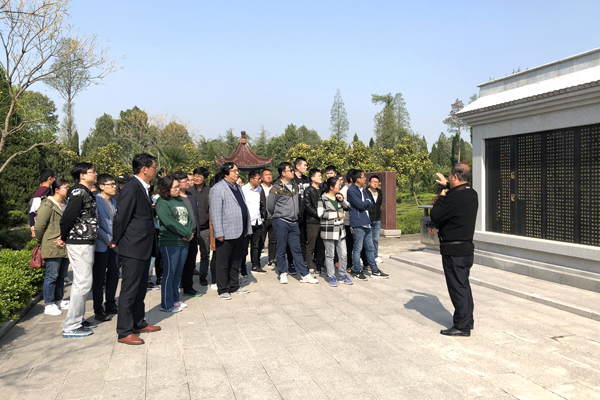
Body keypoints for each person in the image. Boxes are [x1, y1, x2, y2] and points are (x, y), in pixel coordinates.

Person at [112, 153, 161, 345]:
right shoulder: (131, 188)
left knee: (141, 288)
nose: (155, 170)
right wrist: (116, 240)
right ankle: (124, 331)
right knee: (130, 289)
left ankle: (138, 322)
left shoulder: (143, 188)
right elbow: (121, 217)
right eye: (154, 167)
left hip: (143, 246)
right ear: (144, 169)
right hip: (132, 247)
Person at [431, 164, 478, 337]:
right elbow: (459, 193)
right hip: (466, 248)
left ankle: (462, 326)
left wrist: (441, 197)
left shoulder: (452, 198)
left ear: (456, 177)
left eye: (450, 177)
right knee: (463, 285)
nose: (449, 179)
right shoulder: (472, 194)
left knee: (457, 288)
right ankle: (467, 320)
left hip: (453, 250)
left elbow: (435, 216)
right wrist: (447, 185)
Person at [58, 163, 98, 338]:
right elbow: (68, 217)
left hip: (85, 241)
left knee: (83, 282)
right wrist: (63, 236)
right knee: (83, 283)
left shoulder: (86, 192)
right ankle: (71, 325)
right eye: (92, 172)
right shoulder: (78, 192)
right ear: (82, 175)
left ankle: (78, 319)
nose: (95, 174)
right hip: (79, 242)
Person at [267, 162, 319, 285]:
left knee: (297, 249)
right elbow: (270, 207)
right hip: (281, 221)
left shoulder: (295, 186)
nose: (292, 172)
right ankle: (282, 272)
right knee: (281, 248)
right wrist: (280, 215)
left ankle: (304, 274)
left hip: (294, 222)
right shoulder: (276, 188)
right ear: (283, 173)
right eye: (290, 170)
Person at [209, 163, 252, 299]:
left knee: (236, 260)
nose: (237, 173)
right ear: (226, 173)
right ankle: (223, 289)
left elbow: (243, 207)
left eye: (237, 170)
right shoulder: (218, 188)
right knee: (223, 262)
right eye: (234, 171)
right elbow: (215, 212)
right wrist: (218, 232)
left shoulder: (237, 188)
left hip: (240, 230)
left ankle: (234, 285)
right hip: (226, 231)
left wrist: (246, 227)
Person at [155, 175, 194, 313]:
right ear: (166, 187)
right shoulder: (162, 202)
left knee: (178, 273)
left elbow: (189, 218)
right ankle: (166, 304)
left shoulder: (179, 200)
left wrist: (189, 232)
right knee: (169, 273)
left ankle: (175, 300)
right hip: (170, 242)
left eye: (179, 186)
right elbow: (169, 222)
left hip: (184, 241)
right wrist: (186, 233)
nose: (179, 189)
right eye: (175, 187)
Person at [34, 178, 70, 316]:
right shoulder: (48, 205)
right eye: (66, 187)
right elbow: (39, 227)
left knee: (61, 275)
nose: (68, 190)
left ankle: (59, 300)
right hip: (52, 244)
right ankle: (48, 304)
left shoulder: (67, 203)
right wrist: (41, 241)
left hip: (65, 244)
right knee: (52, 275)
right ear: (57, 190)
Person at [347, 169, 389, 280]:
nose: (365, 179)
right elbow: (360, 205)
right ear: (357, 179)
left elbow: (370, 202)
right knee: (358, 248)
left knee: (370, 248)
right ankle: (357, 271)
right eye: (363, 177)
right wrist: (366, 203)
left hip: (367, 222)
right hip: (358, 222)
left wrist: (365, 203)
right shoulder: (351, 190)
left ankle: (375, 270)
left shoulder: (362, 189)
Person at [92, 174, 119, 322]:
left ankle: (110, 303)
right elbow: (94, 224)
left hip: (114, 245)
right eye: (111, 184)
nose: (114, 187)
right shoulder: (95, 201)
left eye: (114, 184)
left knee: (114, 274)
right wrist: (108, 239)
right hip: (101, 244)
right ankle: (98, 309)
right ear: (101, 186)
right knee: (99, 277)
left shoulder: (114, 202)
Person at [317, 177, 353, 287]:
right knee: (330, 255)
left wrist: (342, 200)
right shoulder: (322, 199)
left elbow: (348, 207)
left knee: (343, 254)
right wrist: (336, 215)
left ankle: (342, 275)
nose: (340, 186)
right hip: (329, 231)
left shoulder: (339, 197)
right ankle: (331, 276)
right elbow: (320, 214)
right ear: (331, 187)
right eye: (338, 184)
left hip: (340, 231)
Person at [173, 171, 202, 298]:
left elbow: (195, 215)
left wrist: (197, 231)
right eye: (186, 181)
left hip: (193, 234)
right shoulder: (174, 197)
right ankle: (177, 286)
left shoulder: (191, 195)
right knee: (179, 263)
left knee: (190, 263)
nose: (189, 182)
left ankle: (188, 287)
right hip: (181, 235)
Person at [243, 169, 267, 274]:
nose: (260, 180)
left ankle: (255, 265)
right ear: (251, 179)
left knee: (256, 245)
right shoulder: (243, 189)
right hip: (247, 222)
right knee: (244, 247)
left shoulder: (259, 189)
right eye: (258, 178)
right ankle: (242, 268)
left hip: (257, 221)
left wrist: (261, 218)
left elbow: (260, 205)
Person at [190, 167, 211, 286]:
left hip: (205, 227)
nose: (197, 178)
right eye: (195, 175)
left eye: (200, 176)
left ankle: (203, 276)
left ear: (205, 178)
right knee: (191, 254)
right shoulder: (188, 191)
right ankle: (187, 276)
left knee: (205, 254)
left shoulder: (210, 191)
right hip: (191, 228)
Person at [304, 168, 325, 275]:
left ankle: (320, 266)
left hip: (323, 221)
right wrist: (318, 214)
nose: (321, 177)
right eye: (319, 176)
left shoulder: (322, 190)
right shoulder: (308, 190)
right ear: (312, 178)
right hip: (312, 221)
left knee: (321, 245)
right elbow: (308, 206)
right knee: (311, 245)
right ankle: (310, 266)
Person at [207, 172, 223, 290]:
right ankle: (215, 280)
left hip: (227, 227)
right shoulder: (214, 193)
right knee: (217, 253)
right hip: (217, 226)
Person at [29, 169, 55, 237]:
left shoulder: (38, 191)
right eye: (54, 177)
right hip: (47, 227)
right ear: (50, 178)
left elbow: (32, 211)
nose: (55, 179)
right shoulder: (47, 192)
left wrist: (32, 225)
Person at [260, 168, 277, 267]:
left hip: (274, 218)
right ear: (262, 177)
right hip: (263, 219)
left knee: (273, 240)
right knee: (260, 240)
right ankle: (256, 261)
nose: (269, 176)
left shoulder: (275, 188)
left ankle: (271, 259)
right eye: (266, 175)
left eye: (270, 174)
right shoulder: (259, 188)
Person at [366, 175, 383, 264]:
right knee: (367, 239)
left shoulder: (379, 192)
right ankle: (365, 257)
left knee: (375, 239)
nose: (375, 183)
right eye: (374, 182)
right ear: (369, 182)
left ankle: (375, 255)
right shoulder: (365, 192)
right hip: (368, 218)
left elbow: (379, 204)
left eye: (377, 182)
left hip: (377, 218)